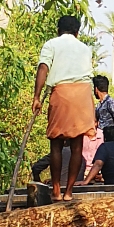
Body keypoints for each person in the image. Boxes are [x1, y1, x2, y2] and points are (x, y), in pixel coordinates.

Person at [32, 15, 95, 202]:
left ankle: (56, 191)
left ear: (58, 30)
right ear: (77, 32)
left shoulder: (51, 44)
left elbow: (43, 68)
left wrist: (36, 96)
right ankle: (69, 193)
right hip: (83, 94)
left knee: (56, 144)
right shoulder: (85, 48)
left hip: (62, 92)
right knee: (77, 146)